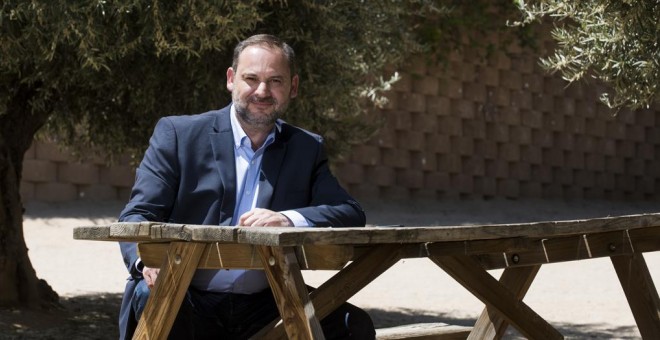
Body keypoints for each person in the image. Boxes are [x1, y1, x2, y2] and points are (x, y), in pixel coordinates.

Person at [116, 34, 376, 339]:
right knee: (153, 299)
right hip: (186, 295)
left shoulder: (306, 149)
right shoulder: (178, 135)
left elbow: (348, 211)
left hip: (268, 303)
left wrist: (288, 219)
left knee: (352, 326)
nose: (262, 91)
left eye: (275, 81)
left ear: (293, 87)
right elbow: (137, 214)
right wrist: (144, 263)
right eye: (251, 78)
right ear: (231, 79)